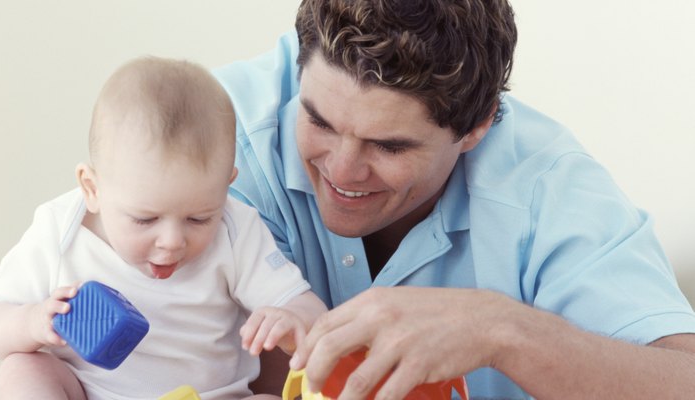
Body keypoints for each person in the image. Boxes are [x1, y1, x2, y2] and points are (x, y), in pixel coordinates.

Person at [213, 0, 695, 398]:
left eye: (389, 145)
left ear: (478, 126)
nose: (341, 171)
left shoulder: (546, 190)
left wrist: (502, 330)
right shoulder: (217, 135)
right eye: (319, 121)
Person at [0, 57, 327, 400]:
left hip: (213, 396)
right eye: (145, 219)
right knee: (22, 369)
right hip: (90, 393)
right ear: (92, 189)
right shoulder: (59, 231)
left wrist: (290, 318)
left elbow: (313, 314)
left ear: (225, 186)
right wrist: (33, 322)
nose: (172, 242)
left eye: (199, 218)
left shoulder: (237, 228)